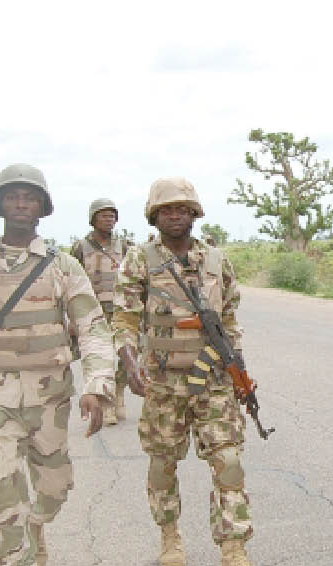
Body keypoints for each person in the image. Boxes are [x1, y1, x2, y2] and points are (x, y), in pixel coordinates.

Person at [0, 163, 116, 566]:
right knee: (3, 488)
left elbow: (92, 328)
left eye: (30, 197)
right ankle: (16, 553)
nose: (21, 204)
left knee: (55, 490)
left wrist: (97, 385)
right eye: (13, 197)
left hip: (50, 396)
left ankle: (37, 526)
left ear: (42, 208)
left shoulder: (61, 266)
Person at [111, 177, 253, 566]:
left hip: (214, 382)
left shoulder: (216, 259)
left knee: (229, 462)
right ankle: (169, 537)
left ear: (194, 214)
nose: (175, 215)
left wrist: (239, 369)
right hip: (163, 382)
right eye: (167, 209)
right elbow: (124, 317)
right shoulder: (140, 260)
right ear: (155, 216)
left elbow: (229, 319)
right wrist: (128, 361)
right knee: (162, 464)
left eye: (182, 209)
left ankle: (233, 547)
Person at [71, 198, 133, 425]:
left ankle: (118, 392)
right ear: (93, 219)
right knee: (100, 359)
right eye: (103, 215)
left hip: (121, 310)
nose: (108, 220)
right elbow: (70, 281)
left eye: (112, 215)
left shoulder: (124, 246)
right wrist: (71, 318)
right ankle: (106, 405)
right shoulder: (80, 247)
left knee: (128, 356)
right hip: (92, 313)